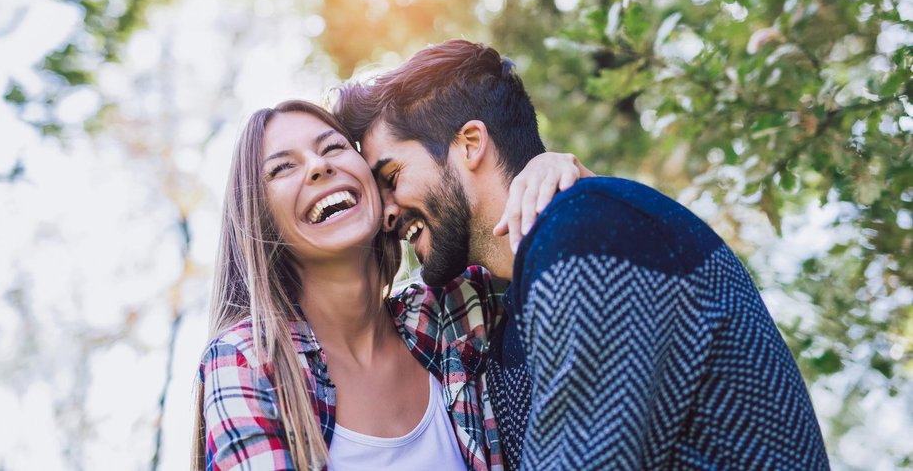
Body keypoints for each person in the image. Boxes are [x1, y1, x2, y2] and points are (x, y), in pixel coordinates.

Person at [335, 39, 831, 470]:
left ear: (469, 145)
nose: (386, 214)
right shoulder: (504, 310)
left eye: (393, 177)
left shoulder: (588, 231)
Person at [191, 99, 583, 471]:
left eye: (333, 147)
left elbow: (570, 268)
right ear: (260, 220)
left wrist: (549, 176)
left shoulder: (452, 310)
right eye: (282, 168)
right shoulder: (246, 361)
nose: (318, 166)